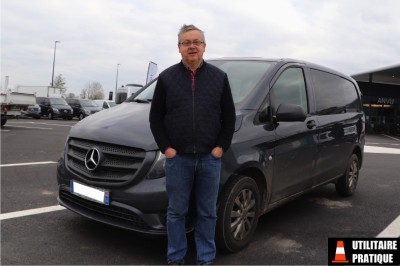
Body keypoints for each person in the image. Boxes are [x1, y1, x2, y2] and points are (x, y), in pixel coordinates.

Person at [149, 24, 236, 265]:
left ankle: (205, 259)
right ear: (179, 48)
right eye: (186, 42)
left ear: (204, 47)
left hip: (210, 158)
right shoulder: (166, 78)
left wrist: (220, 148)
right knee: (176, 213)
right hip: (179, 160)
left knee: (208, 213)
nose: (192, 46)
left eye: (196, 42)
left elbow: (229, 117)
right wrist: (167, 149)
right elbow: (155, 118)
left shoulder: (219, 78)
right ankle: (175, 258)